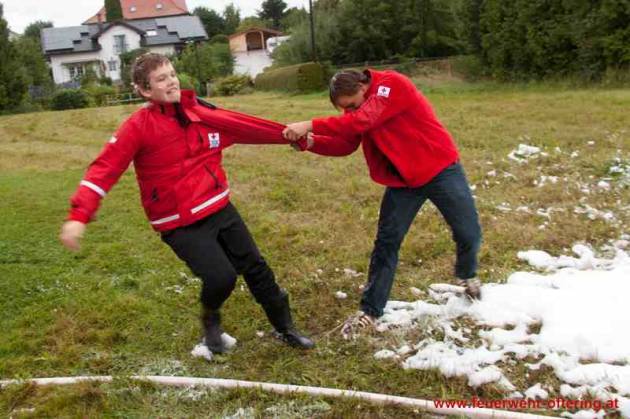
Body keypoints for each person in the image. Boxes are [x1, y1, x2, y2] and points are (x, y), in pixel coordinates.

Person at [60, 53, 314, 353]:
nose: (172, 81)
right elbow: (105, 168)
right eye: (161, 78)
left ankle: (285, 328)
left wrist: (290, 137)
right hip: (178, 221)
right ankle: (210, 318)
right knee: (220, 277)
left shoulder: (199, 112)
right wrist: (79, 215)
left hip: (218, 205)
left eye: (172, 74)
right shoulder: (138, 126)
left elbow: (244, 127)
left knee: (256, 267)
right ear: (144, 90)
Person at [283, 69, 482, 339]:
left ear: (363, 86)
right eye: (346, 109)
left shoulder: (391, 84)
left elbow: (363, 119)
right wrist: (311, 142)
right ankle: (370, 310)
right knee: (387, 243)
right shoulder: (359, 108)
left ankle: (466, 274)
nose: (351, 111)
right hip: (403, 181)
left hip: (440, 168)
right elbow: (346, 144)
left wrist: (310, 124)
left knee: (468, 231)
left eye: (353, 104)